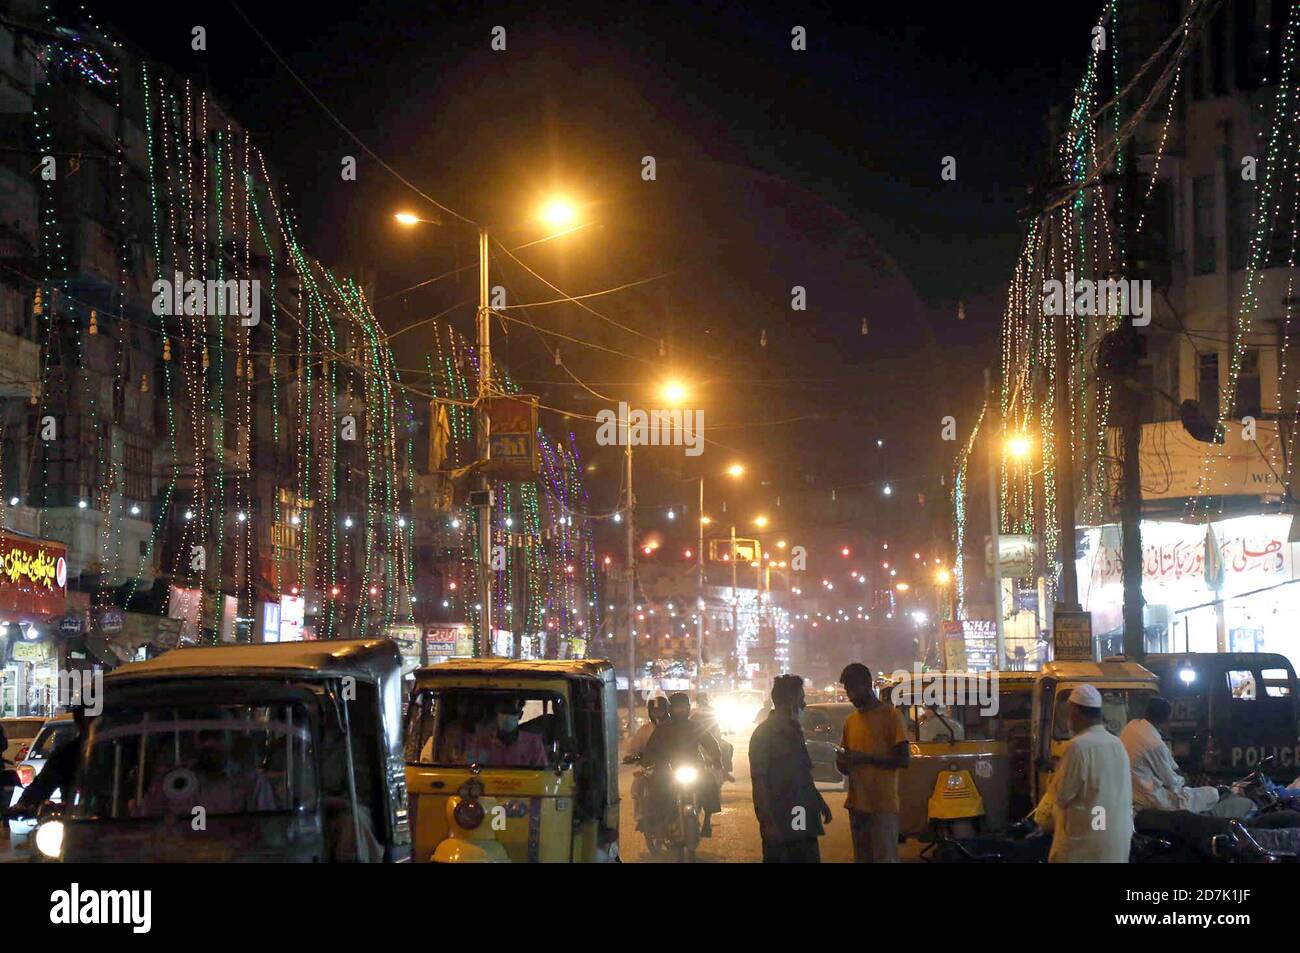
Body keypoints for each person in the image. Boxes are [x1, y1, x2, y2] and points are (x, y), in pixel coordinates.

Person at [1032, 684, 1133, 863]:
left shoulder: (1078, 747)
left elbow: (1062, 796)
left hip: (1084, 849)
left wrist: (1053, 778)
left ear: (1076, 713)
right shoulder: (1117, 744)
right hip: (1116, 846)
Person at [1120, 696, 1253, 818]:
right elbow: (1172, 782)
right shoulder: (1155, 744)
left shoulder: (1131, 727)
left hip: (1134, 792)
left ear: (1146, 713)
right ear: (1166, 720)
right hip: (1154, 798)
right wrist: (1185, 781)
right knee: (1211, 793)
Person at [750, 674, 832, 862]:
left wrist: (818, 801)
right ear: (790, 700)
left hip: (799, 812)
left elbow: (801, 773)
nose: (804, 704)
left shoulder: (793, 730)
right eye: (801, 699)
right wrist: (767, 822)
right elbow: (759, 780)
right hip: (785, 816)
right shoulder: (765, 734)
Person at [836, 663, 910, 862]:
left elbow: (903, 759)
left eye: (851, 689)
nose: (849, 696)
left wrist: (865, 758)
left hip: (883, 806)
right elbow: (845, 764)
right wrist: (842, 761)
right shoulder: (850, 721)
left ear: (867, 685)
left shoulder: (891, 716)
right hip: (857, 805)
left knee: (884, 858)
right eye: (846, 690)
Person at [643, 692, 723, 836]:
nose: (680, 710)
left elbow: (711, 743)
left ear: (688, 708)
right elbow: (651, 748)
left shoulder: (695, 726)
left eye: (683, 707)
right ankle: (657, 822)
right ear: (671, 709)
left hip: (692, 767)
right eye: (677, 708)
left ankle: (707, 821)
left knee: (709, 783)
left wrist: (717, 759)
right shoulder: (662, 729)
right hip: (668, 768)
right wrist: (648, 760)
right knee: (656, 788)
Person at [464, 698, 548, 768]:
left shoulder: (533, 743)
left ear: (520, 715)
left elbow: (542, 773)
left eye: (512, 713)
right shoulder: (482, 741)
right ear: (496, 714)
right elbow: (472, 769)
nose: (507, 717)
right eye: (503, 712)